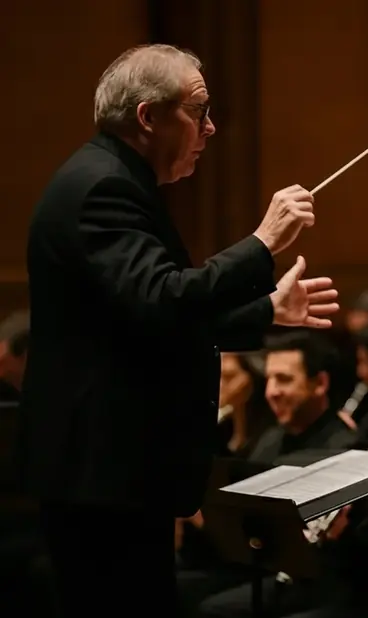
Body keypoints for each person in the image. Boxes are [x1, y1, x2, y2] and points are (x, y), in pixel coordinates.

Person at [14, 44, 340, 615]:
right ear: (148, 116)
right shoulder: (103, 188)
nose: (210, 128)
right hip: (103, 473)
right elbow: (163, 299)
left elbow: (155, 320)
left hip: (110, 473)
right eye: (199, 110)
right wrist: (262, 242)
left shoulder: (113, 178)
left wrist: (268, 311)